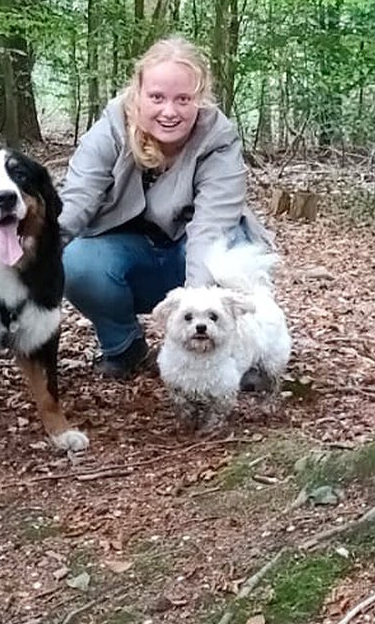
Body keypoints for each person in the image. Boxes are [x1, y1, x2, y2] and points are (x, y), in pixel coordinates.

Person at [58, 35, 270, 379]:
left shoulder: (218, 137)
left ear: (199, 99)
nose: (169, 111)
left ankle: (236, 353)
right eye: (157, 97)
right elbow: (76, 200)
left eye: (183, 99)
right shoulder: (111, 126)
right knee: (75, 261)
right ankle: (124, 346)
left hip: (191, 252)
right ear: (138, 94)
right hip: (127, 257)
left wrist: (194, 303)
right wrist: (33, 251)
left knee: (232, 252)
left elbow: (211, 227)